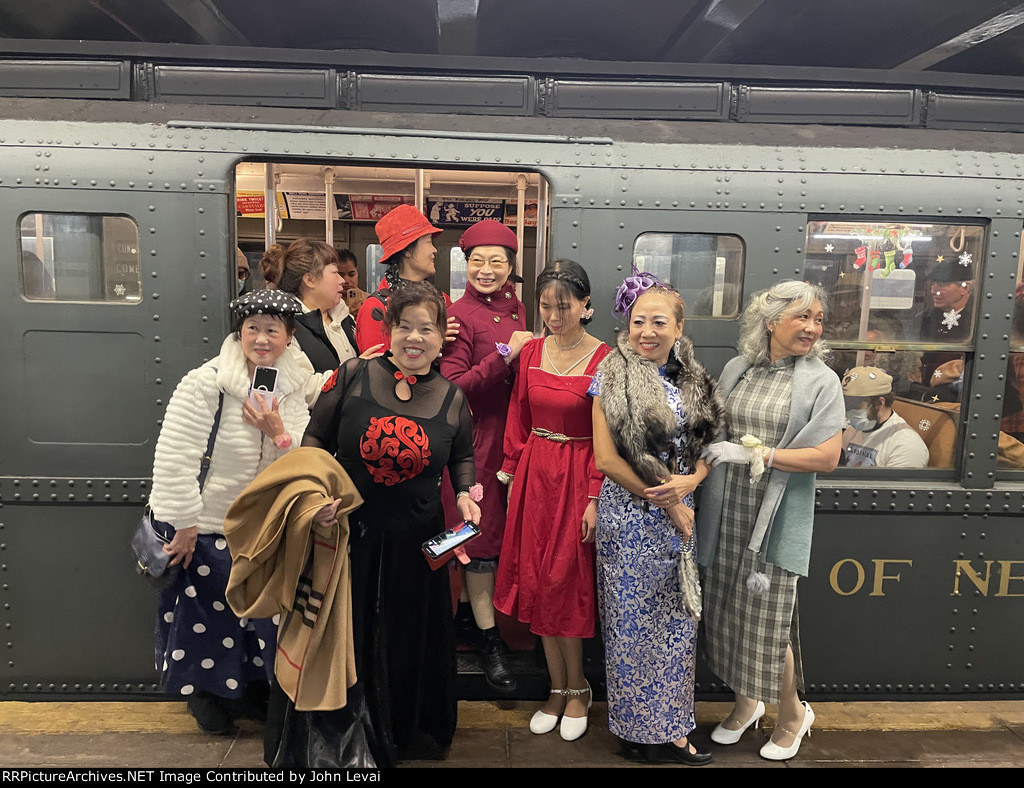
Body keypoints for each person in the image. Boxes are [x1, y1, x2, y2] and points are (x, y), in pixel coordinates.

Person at [302, 281, 481, 766]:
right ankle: (345, 732)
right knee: (350, 631)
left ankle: (405, 730)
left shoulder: (451, 398)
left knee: (409, 634)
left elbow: (462, 456)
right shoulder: (353, 375)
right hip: (349, 533)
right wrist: (313, 494)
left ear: (442, 337)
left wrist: (467, 495)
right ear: (389, 330)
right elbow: (314, 438)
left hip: (421, 540)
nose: (415, 338)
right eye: (405, 327)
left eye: (427, 328)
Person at [149, 289, 310, 735]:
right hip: (209, 526)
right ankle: (206, 696)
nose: (261, 339)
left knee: (260, 617)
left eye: (272, 330)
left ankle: (251, 692)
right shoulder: (207, 382)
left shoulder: (293, 384)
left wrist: (277, 431)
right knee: (208, 616)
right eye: (252, 328)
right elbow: (176, 456)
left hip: (264, 528)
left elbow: (296, 457)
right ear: (238, 332)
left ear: (290, 336)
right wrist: (183, 523)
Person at [696, 280, 844, 762]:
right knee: (727, 611)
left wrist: (760, 452)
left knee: (767, 621)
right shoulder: (740, 368)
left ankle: (793, 713)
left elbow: (826, 457)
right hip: (728, 507)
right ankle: (746, 703)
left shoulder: (821, 380)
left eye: (817, 318)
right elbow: (715, 429)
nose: (812, 327)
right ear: (770, 321)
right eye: (802, 316)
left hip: (774, 514)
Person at [590, 275, 724, 765]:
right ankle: (634, 730)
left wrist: (692, 482)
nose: (647, 331)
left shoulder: (693, 377)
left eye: (659, 321)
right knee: (629, 626)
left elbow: (711, 444)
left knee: (676, 627)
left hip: (680, 514)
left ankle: (670, 727)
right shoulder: (611, 373)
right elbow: (607, 459)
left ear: (679, 326)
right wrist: (669, 499)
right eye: (638, 320)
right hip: (631, 517)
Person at [494, 259, 611, 742]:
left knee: (568, 582)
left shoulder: (606, 358)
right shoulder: (531, 351)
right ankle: (557, 687)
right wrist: (509, 466)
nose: (554, 316)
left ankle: (579, 687)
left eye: (564, 306)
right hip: (534, 477)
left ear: (586, 306)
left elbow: (609, 438)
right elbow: (519, 414)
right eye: (545, 307)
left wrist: (594, 496)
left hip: (578, 476)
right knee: (538, 579)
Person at [440, 220, 531, 692]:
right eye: (477, 261)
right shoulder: (457, 316)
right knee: (478, 542)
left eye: (497, 261)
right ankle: (487, 638)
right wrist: (505, 358)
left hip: (515, 444)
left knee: (501, 541)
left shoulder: (517, 309)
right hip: (476, 446)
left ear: (512, 266)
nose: (487, 270)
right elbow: (452, 387)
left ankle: (479, 624)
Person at [260, 239, 375, 374]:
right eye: (335, 272)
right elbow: (304, 387)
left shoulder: (345, 319)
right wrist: (353, 372)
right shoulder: (286, 327)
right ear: (310, 280)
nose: (342, 280)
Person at [355, 204, 452, 353]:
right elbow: (377, 370)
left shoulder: (443, 299)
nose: (434, 250)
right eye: (428, 242)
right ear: (407, 250)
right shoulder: (377, 308)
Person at [841, 366, 928, 468]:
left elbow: (896, 484)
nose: (849, 411)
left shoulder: (906, 445)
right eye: (846, 403)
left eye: (855, 405)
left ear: (880, 402)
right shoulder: (853, 430)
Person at [335, 248, 368, 318]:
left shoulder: (369, 299)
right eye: (341, 275)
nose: (346, 281)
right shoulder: (328, 304)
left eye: (351, 274)